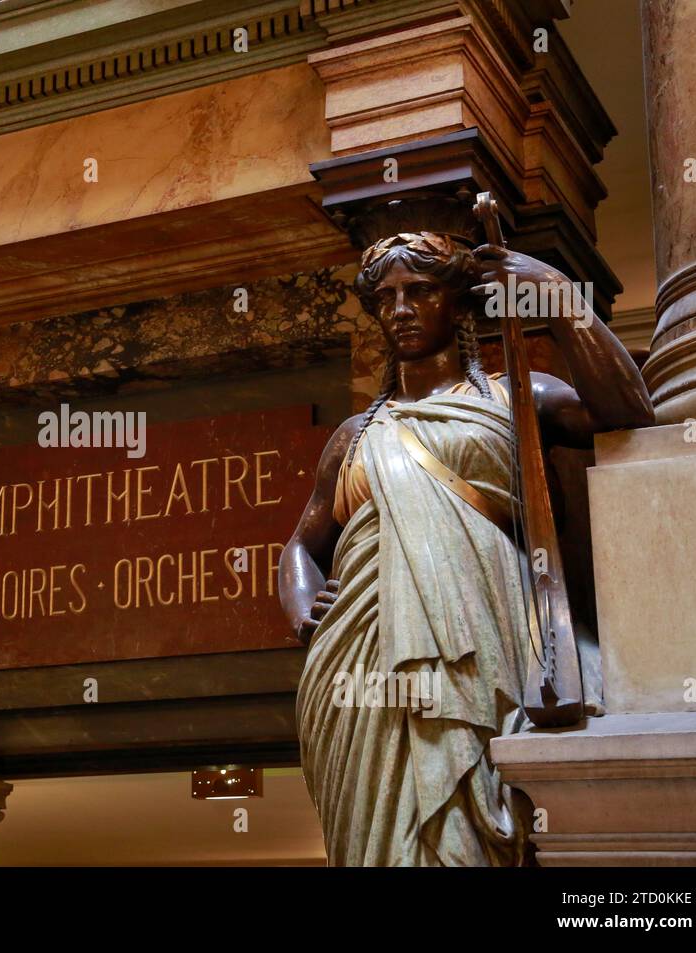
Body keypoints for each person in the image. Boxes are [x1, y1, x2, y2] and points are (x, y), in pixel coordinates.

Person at [278, 231, 653, 866]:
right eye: (387, 298)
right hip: (359, 651)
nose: (400, 309)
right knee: (371, 824)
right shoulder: (356, 433)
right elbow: (303, 544)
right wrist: (303, 603)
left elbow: (627, 411)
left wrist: (557, 296)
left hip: (479, 635)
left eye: (420, 291)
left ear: (458, 304)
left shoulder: (516, 397)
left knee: (475, 809)